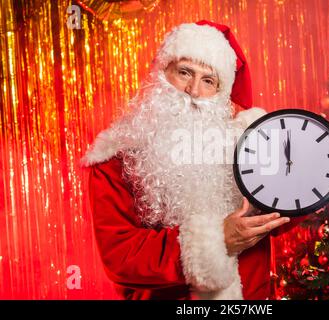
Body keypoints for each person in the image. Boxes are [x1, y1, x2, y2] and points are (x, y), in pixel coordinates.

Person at [82, 20, 300, 300]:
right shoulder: (116, 156)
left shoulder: (248, 141)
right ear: (162, 73)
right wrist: (217, 240)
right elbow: (121, 255)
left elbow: (287, 211)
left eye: (208, 80)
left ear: (221, 92)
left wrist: (299, 167)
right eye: (184, 72)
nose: (194, 91)